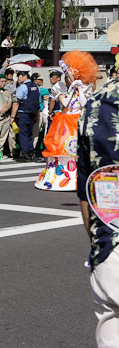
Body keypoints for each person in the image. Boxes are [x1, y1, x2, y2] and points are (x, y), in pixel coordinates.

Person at [76, 73, 119, 348]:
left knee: (111, 328)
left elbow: (86, 186)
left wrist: (99, 240)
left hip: (108, 239)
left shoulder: (96, 103)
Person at [36, 51, 98, 191]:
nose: (68, 79)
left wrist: (80, 89)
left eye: (70, 78)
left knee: (79, 149)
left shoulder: (84, 89)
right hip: (64, 123)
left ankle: (80, 176)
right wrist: (71, 89)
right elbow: (65, 104)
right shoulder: (61, 89)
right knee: (61, 149)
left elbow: (84, 104)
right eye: (67, 77)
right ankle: (60, 175)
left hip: (78, 123)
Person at [10, 70, 40, 162]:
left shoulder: (22, 87)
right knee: (29, 134)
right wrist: (37, 116)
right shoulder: (36, 87)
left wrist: (12, 117)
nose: (17, 78)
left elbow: (16, 103)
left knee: (23, 134)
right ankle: (31, 152)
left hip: (23, 113)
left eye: (18, 76)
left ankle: (25, 154)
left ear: (24, 76)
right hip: (32, 113)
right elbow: (38, 103)